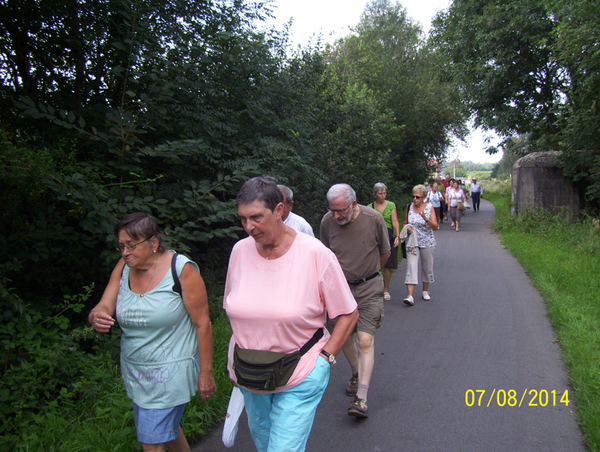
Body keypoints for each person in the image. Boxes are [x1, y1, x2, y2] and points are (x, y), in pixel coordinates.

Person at [224, 177, 358, 452]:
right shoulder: (239, 251)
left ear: (279, 210)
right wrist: (233, 360)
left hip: (300, 369)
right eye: (243, 219)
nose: (249, 227)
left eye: (256, 217)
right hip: (251, 373)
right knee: (264, 444)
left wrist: (325, 358)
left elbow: (348, 313)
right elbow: (233, 309)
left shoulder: (314, 254)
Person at [89, 212, 216, 452]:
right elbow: (104, 304)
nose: (125, 252)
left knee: (152, 442)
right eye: (121, 246)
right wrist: (97, 316)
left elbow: (203, 323)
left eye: (131, 245)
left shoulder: (181, 269)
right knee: (166, 432)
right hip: (137, 374)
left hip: (171, 373)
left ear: (154, 243)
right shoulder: (125, 267)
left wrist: (206, 373)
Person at [320, 183, 390, 418]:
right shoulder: (327, 222)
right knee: (344, 336)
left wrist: (371, 275)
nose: (336, 215)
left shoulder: (374, 219)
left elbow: (385, 251)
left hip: (369, 287)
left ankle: (361, 397)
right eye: (332, 210)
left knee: (365, 340)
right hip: (339, 290)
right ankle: (356, 372)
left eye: (341, 210)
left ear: (354, 204)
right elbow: (325, 255)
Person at [400, 185, 438, 306]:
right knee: (411, 267)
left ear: (424, 198)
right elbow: (405, 222)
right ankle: (410, 296)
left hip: (427, 242)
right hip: (413, 242)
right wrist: (407, 229)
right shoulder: (409, 207)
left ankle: (425, 290)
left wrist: (425, 217)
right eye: (413, 197)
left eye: (417, 197)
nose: (415, 199)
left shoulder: (429, 208)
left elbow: (435, 227)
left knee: (427, 267)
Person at [367, 182, 400, 301]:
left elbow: (395, 221)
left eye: (384, 193)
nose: (383, 196)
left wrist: (397, 236)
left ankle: (386, 289)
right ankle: (374, 288)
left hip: (388, 234)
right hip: (375, 236)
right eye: (380, 193)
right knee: (374, 262)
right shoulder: (370, 207)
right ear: (375, 194)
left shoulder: (391, 205)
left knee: (388, 263)